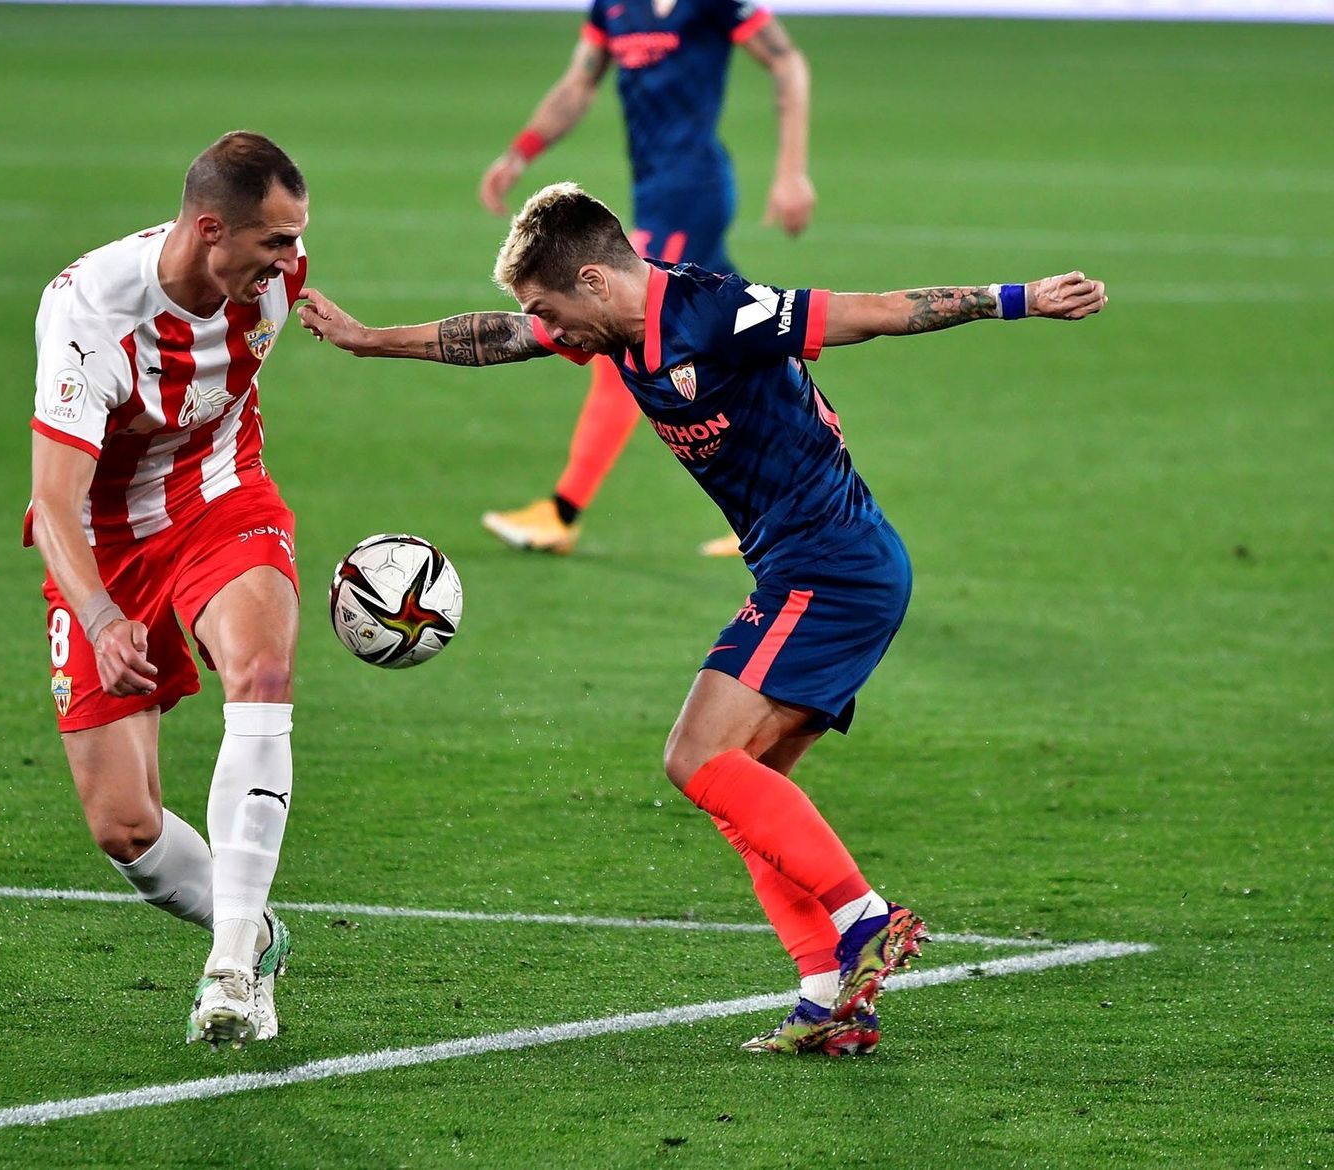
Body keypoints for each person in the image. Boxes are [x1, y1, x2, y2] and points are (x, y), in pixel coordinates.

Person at [296, 183, 1106, 1054]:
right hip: (813, 567)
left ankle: (863, 919)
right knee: (747, 791)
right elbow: (498, 338)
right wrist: (368, 340)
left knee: (694, 755)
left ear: (596, 281)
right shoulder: (609, 328)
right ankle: (829, 997)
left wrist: (1019, 300)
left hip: (831, 566)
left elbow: (871, 312)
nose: (547, 329)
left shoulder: (718, 313)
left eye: (549, 308)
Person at [27, 131, 310, 1051]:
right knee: (124, 827)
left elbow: (246, 363)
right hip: (102, 545)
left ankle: (229, 962)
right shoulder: (91, 312)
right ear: (208, 228)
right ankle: (258, 932)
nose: (291, 259)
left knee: (261, 676)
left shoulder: (273, 280)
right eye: (273, 240)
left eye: (298, 238)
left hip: (219, 499)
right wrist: (103, 617)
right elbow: (54, 504)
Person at [477, 0, 815, 558]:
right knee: (754, 335)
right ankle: (789, 502)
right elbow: (578, 85)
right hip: (655, 194)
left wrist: (791, 171)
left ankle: (562, 512)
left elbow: (788, 63)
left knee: (626, 333)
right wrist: (521, 153)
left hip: (691, 196)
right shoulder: (615, 7)